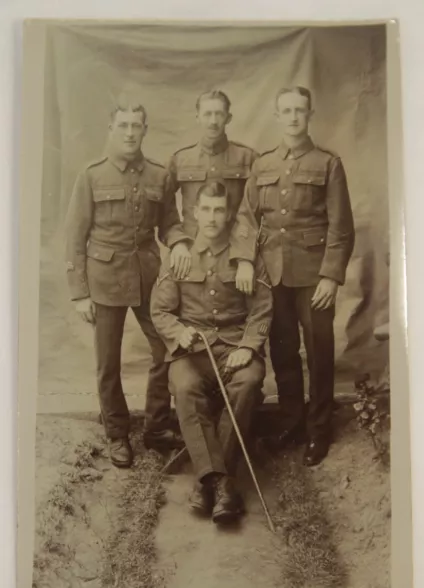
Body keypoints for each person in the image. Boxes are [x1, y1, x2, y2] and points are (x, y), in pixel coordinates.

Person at [65, 91, 192, 468]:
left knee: (165, 350)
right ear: (111, 128)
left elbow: (170, 222)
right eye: (123, 125)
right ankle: (117, 433)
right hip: (103, 277)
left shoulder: (158, 174)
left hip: (149, 275)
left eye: (137, 126)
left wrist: (180, 243)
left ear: (145, 130)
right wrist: (79, 294)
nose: (130, 132)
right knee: (108, 361)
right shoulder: (91, 175)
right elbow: (75, 236)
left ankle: (156, 427)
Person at [234, 86, 355, 466]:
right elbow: (245, 217)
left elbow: (341, 227)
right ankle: (292, 421)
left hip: (313, 276)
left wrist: (331, 278)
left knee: (318, 352)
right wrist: (245, 260)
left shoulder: (328, 164)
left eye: (299, 110)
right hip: (273, 275)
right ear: (276, 116)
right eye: (285, 110)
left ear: (310, 114)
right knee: (283, 352)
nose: (292, 117)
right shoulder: (263, 164)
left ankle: (319, 430)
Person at [150, 181, 273, 524]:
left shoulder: (246, 257)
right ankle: (221, 484)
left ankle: (211, 483)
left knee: (248, 382)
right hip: (192, 350)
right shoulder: (181, 255)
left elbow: (262, 309)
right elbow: (160, 311)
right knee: (186, 387)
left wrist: (249, 347)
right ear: (194, 212)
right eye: (205, 209)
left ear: (230, 214)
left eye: (219, 210)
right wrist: (180, 332)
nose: (212, 217)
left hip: (234, 346)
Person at [167, 89, 259, 295]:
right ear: (197, 117)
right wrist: (177, 242)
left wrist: (245, 257)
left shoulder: (247, 158)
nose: (213, 121)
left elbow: (255, 212)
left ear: (228, 118)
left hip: (234, 251)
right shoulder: (181, 160)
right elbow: (163, 208)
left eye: (219, 114)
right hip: (192, 253)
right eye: (207, 114)